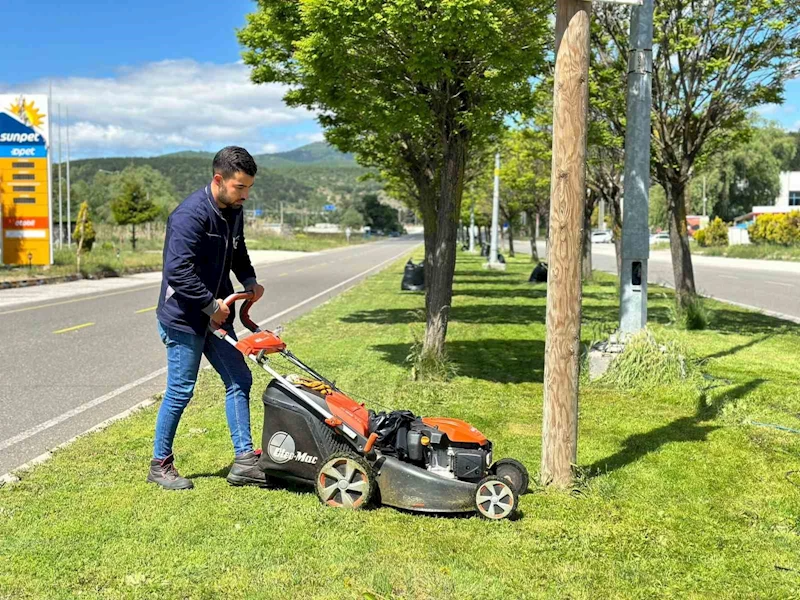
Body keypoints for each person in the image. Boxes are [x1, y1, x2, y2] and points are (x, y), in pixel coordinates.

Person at [148, 146, 266, 490]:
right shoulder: (190, 215)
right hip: (184, 318)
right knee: (181, 390)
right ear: (219, 180)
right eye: (239, 187)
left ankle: (244, 461)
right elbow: (177, 272)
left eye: (248, 188)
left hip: (218, 314)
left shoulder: (234, 210)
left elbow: (238, 251)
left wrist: (249, 281)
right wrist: (211, 306)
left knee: (239, 379)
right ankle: (160, 464)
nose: (245, 195)